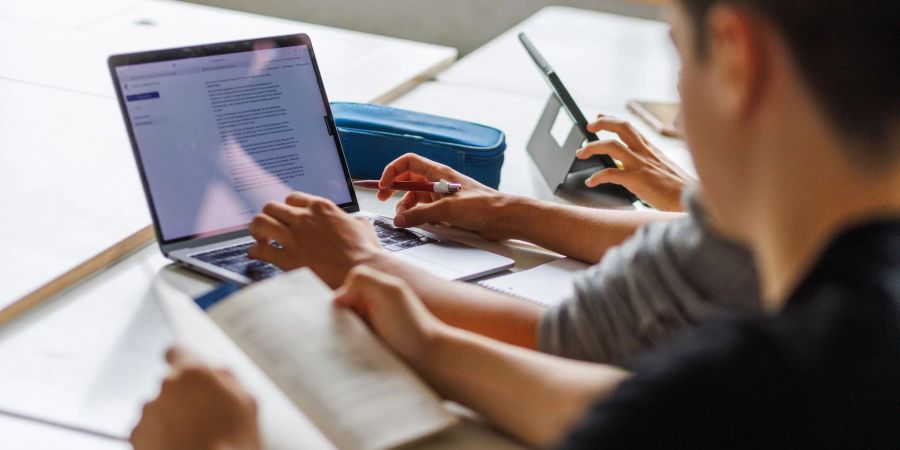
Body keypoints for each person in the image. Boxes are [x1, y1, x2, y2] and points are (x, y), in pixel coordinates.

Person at [133, 0, 900, 446]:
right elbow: (623, 404)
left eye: (677, 52)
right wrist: (431, 346)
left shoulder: (780, 385)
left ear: (735, 57)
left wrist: (229, 442)